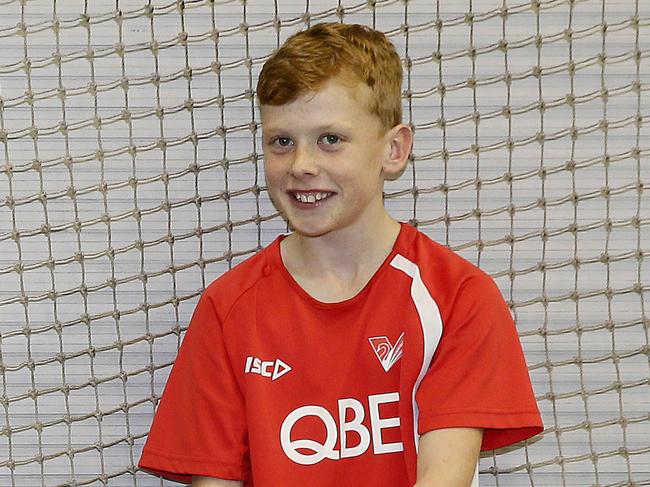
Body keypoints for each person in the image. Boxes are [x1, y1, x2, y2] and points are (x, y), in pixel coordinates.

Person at [138, 22, 543, 487]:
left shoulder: (458, 296)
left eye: (331, 139)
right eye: (281, 141)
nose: (302, 165)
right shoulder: (228, 309)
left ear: (393, 150)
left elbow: (442, 478)